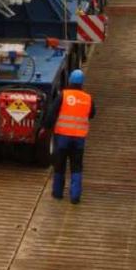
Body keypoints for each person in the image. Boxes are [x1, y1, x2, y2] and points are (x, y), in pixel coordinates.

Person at [51, 69, 96, 204]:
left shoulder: (63, 95)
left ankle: (58, 193)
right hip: (78, 140)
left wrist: (45, 127)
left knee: (60, 165)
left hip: (62, 137)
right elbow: (92, 114)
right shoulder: (88, 98)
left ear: (70, 80)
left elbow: (52, 113)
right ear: (82, 83)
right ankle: (75, 196)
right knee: (76, 166)